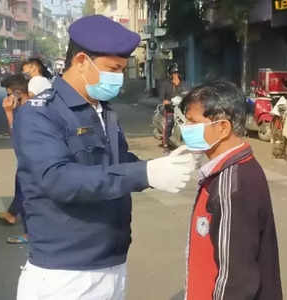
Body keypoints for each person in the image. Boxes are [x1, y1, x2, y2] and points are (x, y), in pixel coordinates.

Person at [13, 15, 195, 300]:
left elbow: (118, 162)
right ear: (82, 61)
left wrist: (161, 168)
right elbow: (58, 179)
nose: (119, 78)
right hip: (65, 274)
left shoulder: (102, 110)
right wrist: (144, 173)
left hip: (112, 263)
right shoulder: (40, 113)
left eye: (122, 69)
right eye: (113, 69)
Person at [180, 81, 283, 300]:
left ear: (223, 127)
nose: (185, 129)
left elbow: (235, 278)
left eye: (193, 122)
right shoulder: (230, 170)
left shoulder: (231, 183)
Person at [0, 74, 31, 244]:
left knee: (27, 195)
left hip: (31, 160)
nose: (7, 97)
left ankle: (29, 233)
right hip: (29, 159)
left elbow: (17, 138)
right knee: (22, 190)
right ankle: (12, 215)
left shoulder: (27, 111)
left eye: (8, 93)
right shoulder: (30, 107)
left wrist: (8, 112)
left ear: (18, 93)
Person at [159, 62, 187, 153]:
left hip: (182, 109)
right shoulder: (165, 84)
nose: (175, 75)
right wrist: (167, 102)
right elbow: (162, 99)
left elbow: (187, 93)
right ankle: (165, 144)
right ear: (170, 74)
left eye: (177, 73)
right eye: (173, 73)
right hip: (170, 109)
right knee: (169, 124)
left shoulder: (183, 84)